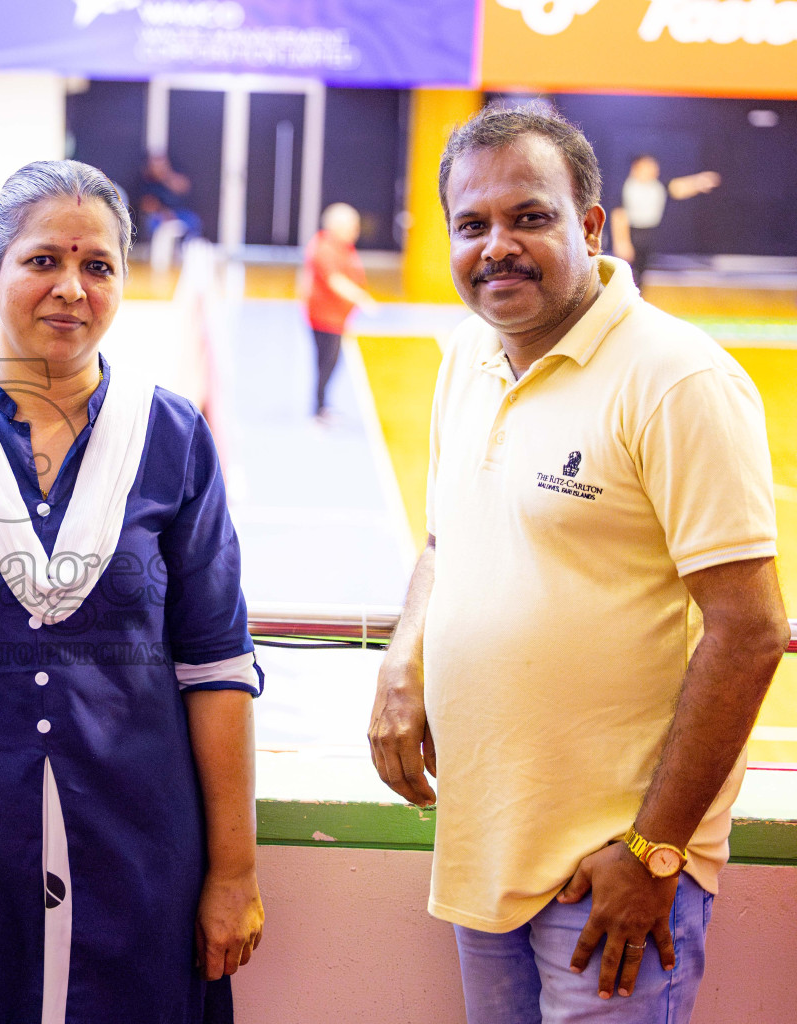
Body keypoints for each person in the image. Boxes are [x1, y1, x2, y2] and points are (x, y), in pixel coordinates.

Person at [368, 105, 789, 1023]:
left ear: (589, 226)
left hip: (613, 877)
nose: (498, 247)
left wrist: (654, 851)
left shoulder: (678, 380)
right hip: (484, 846)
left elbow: (751, 633)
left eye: (530, 217)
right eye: (473, 225)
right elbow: (446, 539)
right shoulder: (468, 357)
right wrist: (404, 661)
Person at [0, 159, 265, 1023]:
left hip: (141, 859)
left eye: (97, 266)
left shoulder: (172, 434)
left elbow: (214, 663)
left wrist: (234, 869)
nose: (71, 288)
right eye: (42, 262)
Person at [299, 202, 378, 423]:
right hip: (324, 318)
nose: (356, 231)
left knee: (332, 361)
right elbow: (336, 281)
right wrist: (362, 299)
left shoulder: (342, 245)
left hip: (336, 318)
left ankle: (322, 406)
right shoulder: (324, 248)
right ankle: (318, 410)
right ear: (336, 226)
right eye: (352, 226)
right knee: (326, 362)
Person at [610, 154, 719, 289]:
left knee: (642, 271)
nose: (654, 169)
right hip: (632, 233)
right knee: (627, 271)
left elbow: (679, 188)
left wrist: (698, 182)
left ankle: (637, 297)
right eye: (648, 166)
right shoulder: (627, 188)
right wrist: (622, 241)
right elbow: (619, 215)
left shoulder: (657, 186)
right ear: (636, 167)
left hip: (649, 233)